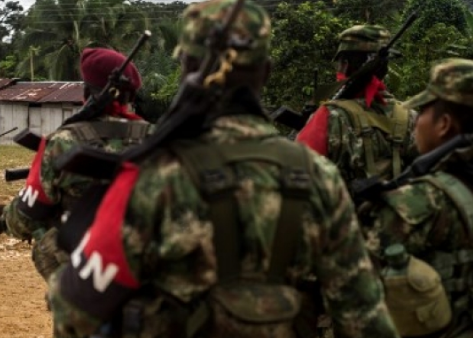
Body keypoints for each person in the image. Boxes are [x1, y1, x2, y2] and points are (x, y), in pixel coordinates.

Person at [42, 1, 400, 337]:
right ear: (266, 72)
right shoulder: (320, 178)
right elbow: (366, 318)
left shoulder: (154, 175)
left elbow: (73, 311)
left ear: (186, 71)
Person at [0, 48, 152, 296]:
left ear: (85, 93)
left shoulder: (64, 141)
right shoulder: (157, 138)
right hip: (148, 262)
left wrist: (5, 218)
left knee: (45, 234)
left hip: (92, 269)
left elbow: (28, 216)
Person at [360, 58, 473, 338]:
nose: (416, 121)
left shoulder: (417, 202)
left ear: (444, 124)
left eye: (423, 111)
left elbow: (356, 290)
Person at [295, 25, 417, 198]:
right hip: (399, 220)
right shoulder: (412, 117)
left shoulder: (329, 116)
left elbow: (297, 180)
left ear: (344, 65)